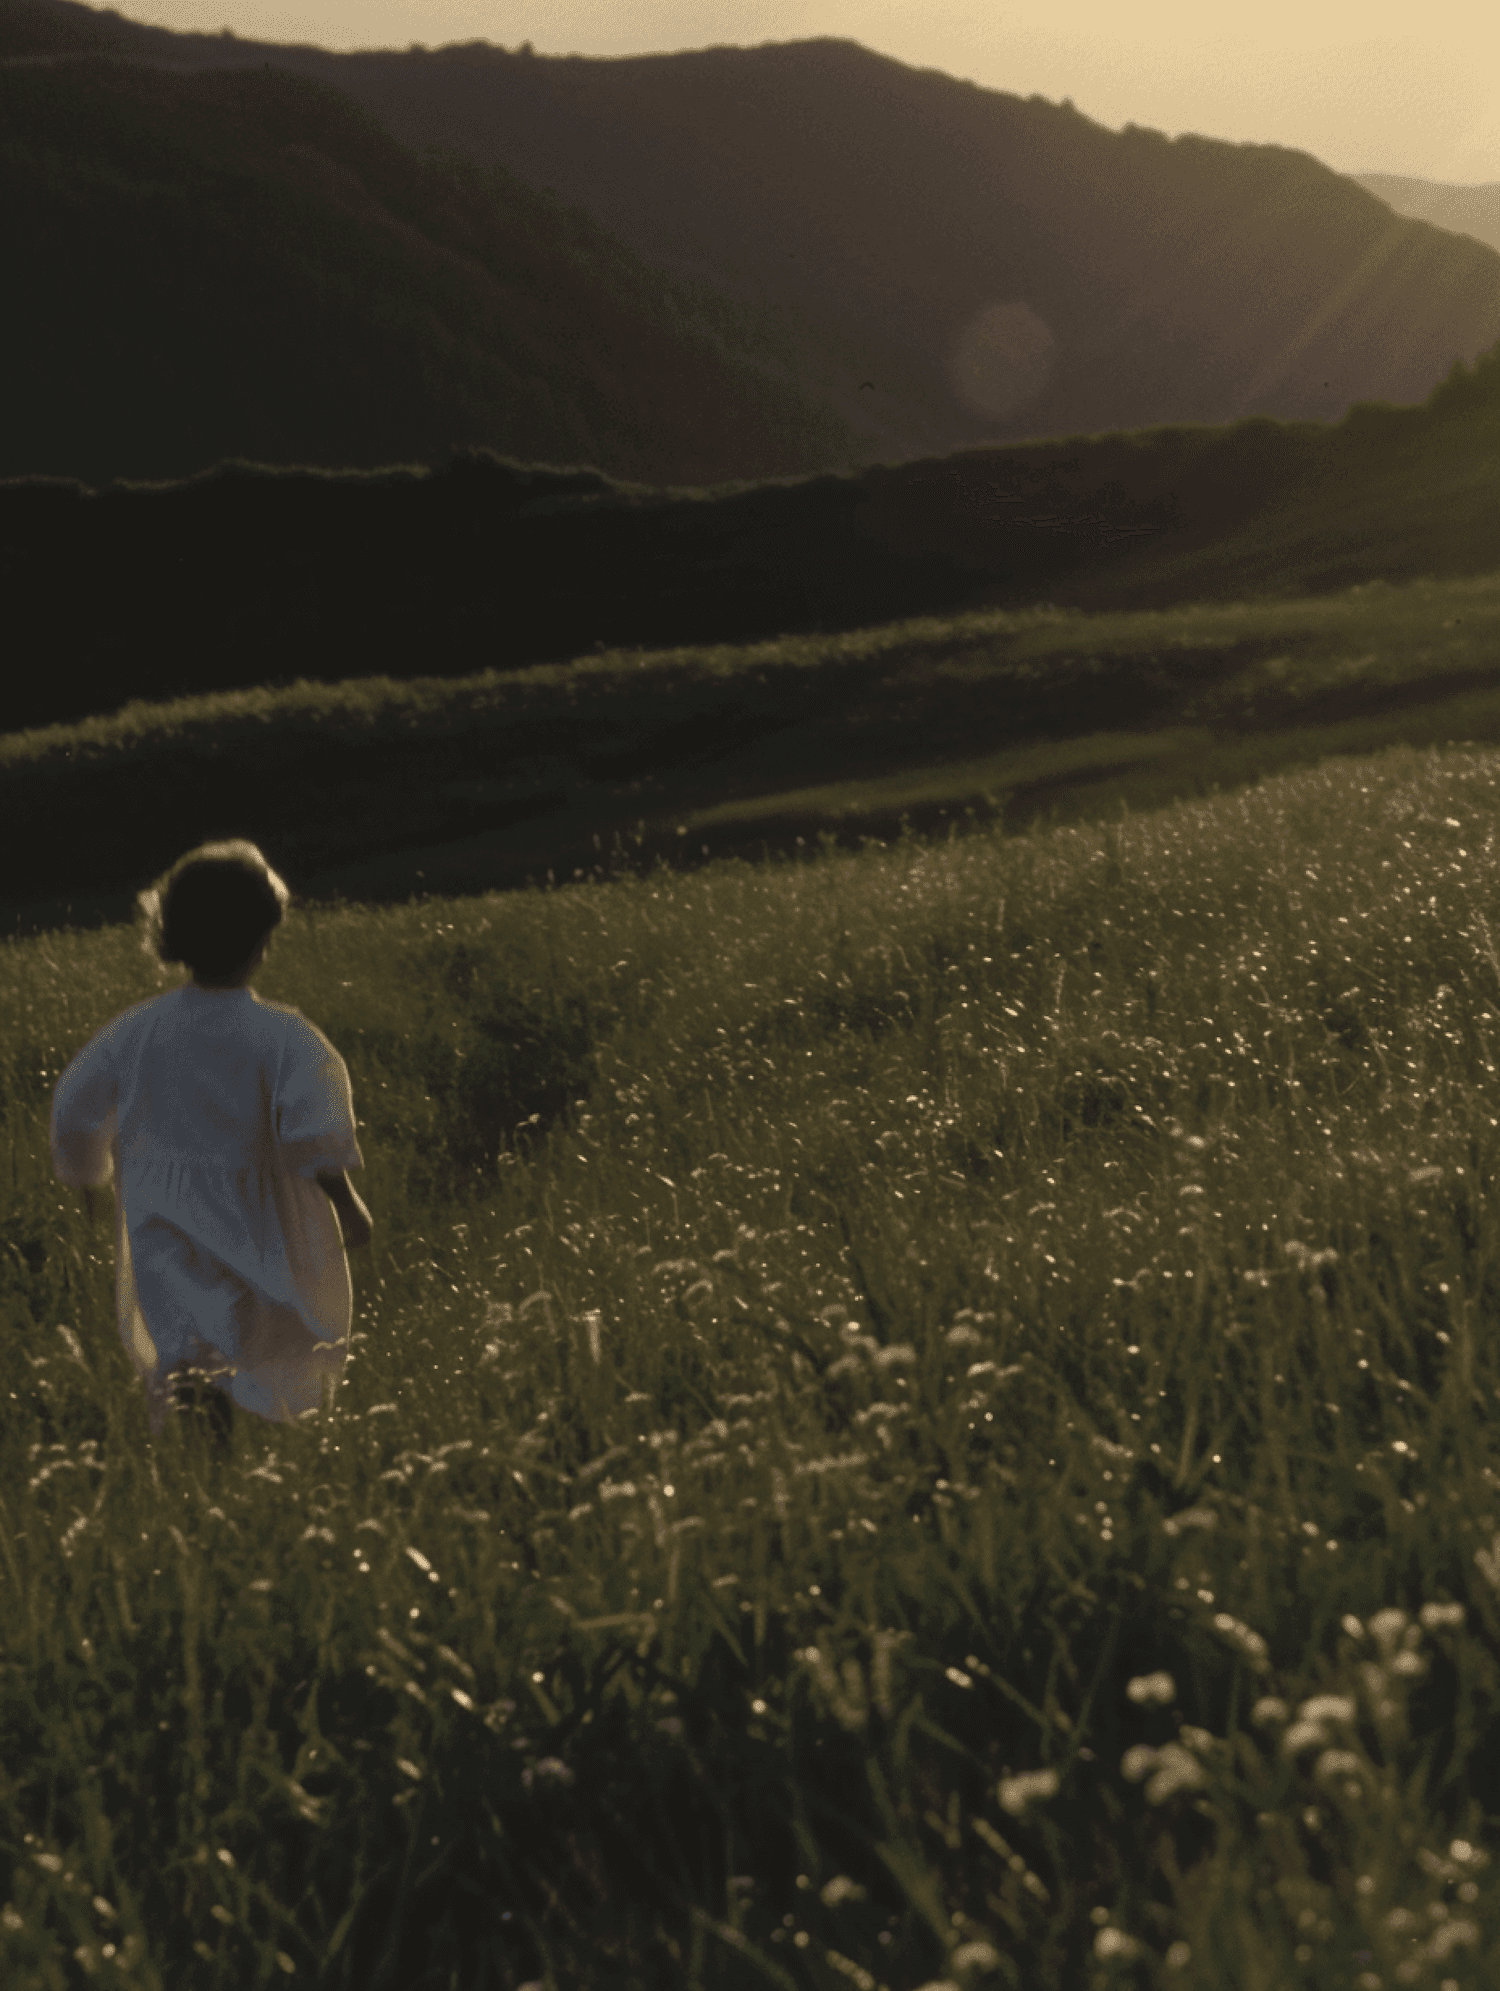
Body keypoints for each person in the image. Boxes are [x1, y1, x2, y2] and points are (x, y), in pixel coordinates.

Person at [49, 839, 374, 1457]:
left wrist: (89, 1175)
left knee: (188, 1345)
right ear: (263, 940)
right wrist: (347, 1203)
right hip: (262, 1222)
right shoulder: (286, 1037)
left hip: (162, 1217)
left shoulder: (137, 1031)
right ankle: (269, 1454)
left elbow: (75, 1106)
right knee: (272, 1337)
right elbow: (315, 1129)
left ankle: (209, 1449)